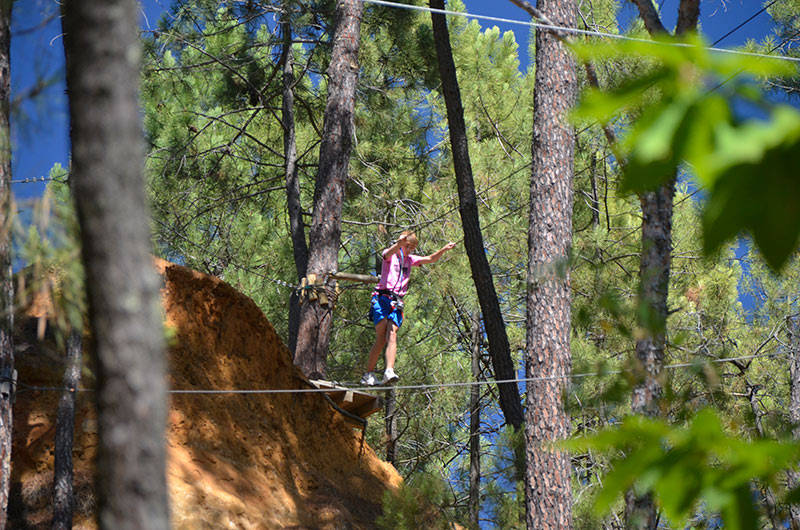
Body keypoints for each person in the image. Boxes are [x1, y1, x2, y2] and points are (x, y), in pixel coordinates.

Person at [360, 231, 456, 386]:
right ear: (401, 244)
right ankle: (368, 374)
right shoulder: (390, 256)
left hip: (397, 301)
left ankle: (389, 371)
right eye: (407, 246)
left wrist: (444, 249)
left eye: (412, 247)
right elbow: (387, 253)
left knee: (392, 335)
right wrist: (399, 243)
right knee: (381, 337)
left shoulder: (410, 260)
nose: (409, 249)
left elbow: (430, 259)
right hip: (383, 297)